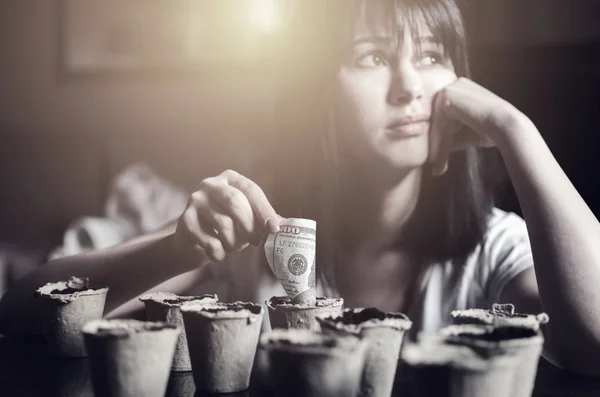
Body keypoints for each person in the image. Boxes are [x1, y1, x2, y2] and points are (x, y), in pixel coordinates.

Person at [2, 0, 600, 375]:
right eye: (371, 57)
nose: (407, 86)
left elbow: (595, 343)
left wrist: (516, 130)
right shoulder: (260, 228)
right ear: (320, 92)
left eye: (432, 55)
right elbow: (22, 316)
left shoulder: (494, 248)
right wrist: (177, 248)